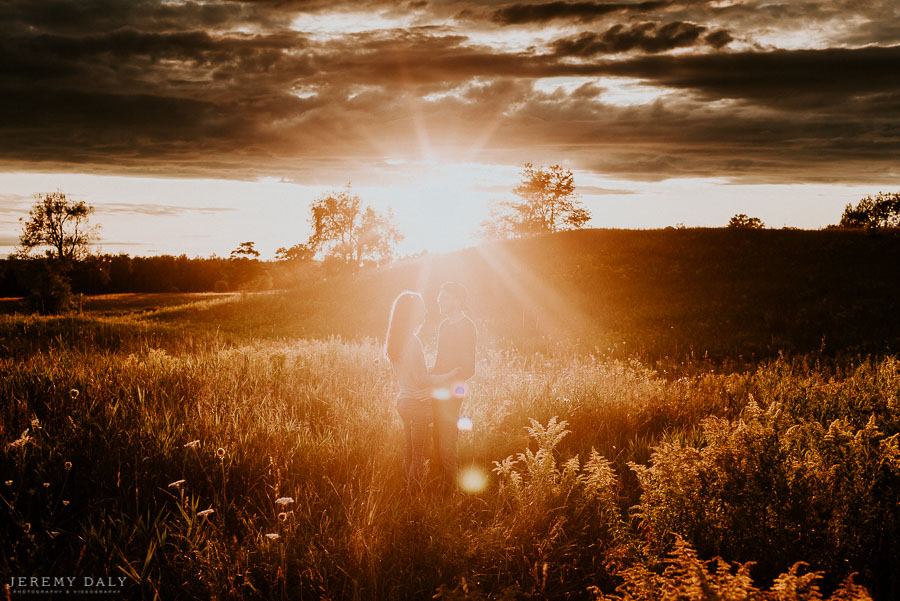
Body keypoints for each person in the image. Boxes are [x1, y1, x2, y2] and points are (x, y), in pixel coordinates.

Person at [384, 291, 460, 493]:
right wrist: (447, 375)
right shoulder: (413, 341)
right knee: (418, 457)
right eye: (422, 307)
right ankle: (413, 498)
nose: (425, 310)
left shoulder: (395, 340)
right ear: (413, 313)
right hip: (417, 405)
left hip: (403, 401)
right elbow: (420, 379)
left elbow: (412, 375)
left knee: (409, 453)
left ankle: (405, 492)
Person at [429, 281, 477, 488]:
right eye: (439, 298)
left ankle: (457, 492)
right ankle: (441, 487)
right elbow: (440, 361)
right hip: (436, 389)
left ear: (458, 301)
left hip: (452, 393)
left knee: (447, 443)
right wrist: (428, 375)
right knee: (435, 441)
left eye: (445, 298)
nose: (440, 301)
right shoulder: (444, 326)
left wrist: (447, 377)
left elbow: (468, 369)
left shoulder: (467, 326)